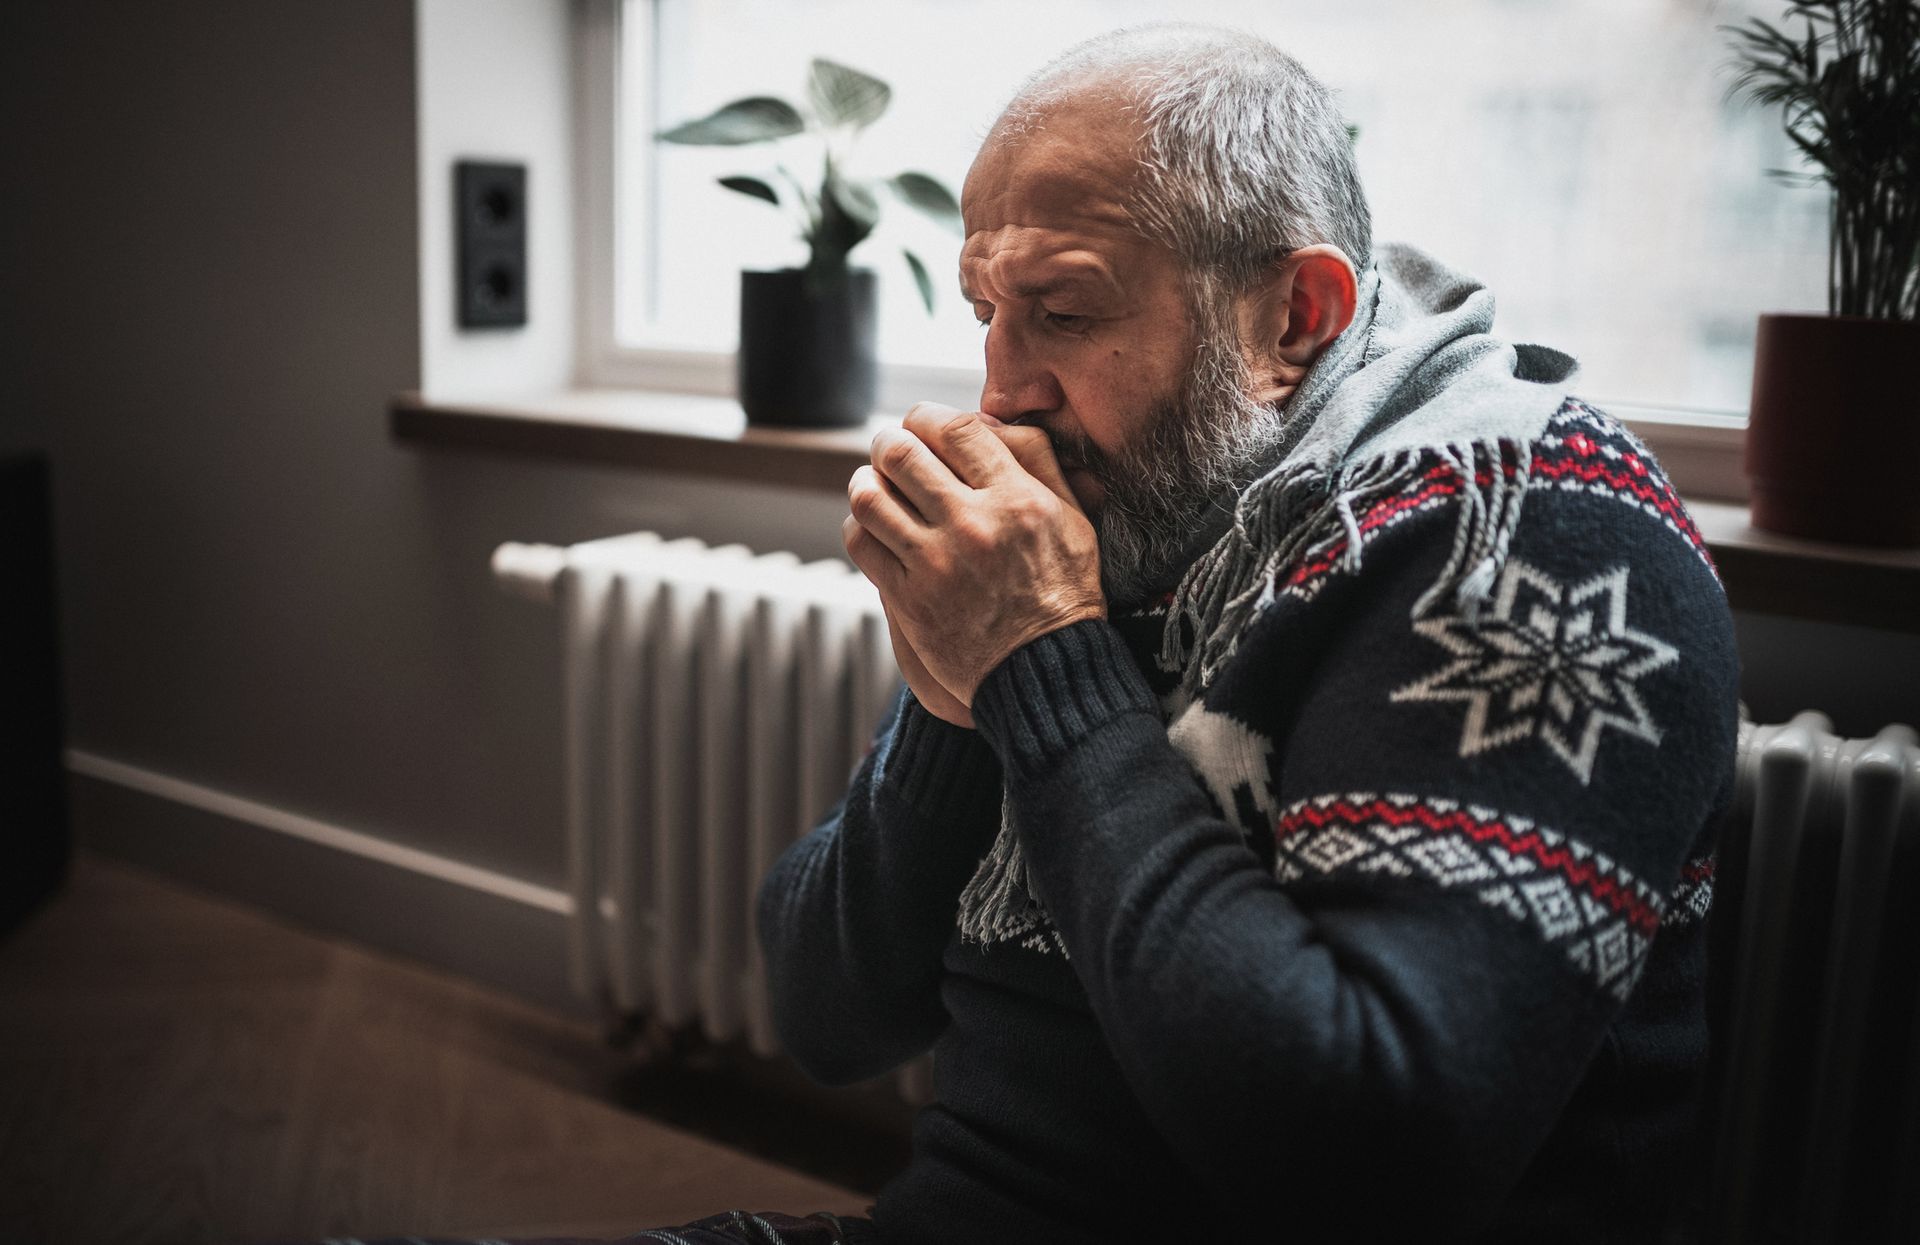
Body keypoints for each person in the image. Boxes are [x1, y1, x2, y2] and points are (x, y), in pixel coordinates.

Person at [283, 21, 1737, 1245]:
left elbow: (1361, 1154)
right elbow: (831, 1011)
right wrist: (958, 691)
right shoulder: (1143, 504)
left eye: (1061, 311)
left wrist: (1044, 663)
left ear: (1293, 317)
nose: (1002, 394)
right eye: (986, 311)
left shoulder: (1534, 528)